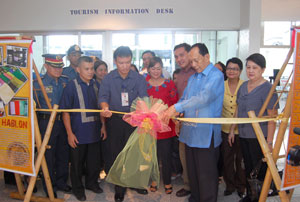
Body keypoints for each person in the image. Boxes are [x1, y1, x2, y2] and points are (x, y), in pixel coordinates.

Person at [164, 43, 224, 202]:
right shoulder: (193, 78)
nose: (194, 65)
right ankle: (196, 198)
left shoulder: (215, 76)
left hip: (205, 134)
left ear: (207, 57)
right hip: (190, 133)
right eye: (192, 61)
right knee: (193, 171)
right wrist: (174, 111)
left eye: (197, 61)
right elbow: (185, 99)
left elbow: (204, 98)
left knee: (207, 174)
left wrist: (177, 107)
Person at [99, 46, 148, 202]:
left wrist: (139, 109)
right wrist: (105, 108)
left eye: (127, 62)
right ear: (115, 62)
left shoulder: (138, 78)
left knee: (135, 153)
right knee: (117, 154)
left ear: (131, 60)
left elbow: (143, 98)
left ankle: (134, 182)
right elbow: (103, 97)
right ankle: (119, 187)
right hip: (115, 121)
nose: (125, 66)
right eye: (121, 63)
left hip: (134, 121)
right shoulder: (108, 78)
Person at [229, 53, 278, 202]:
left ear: (263, 69)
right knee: (248, 167)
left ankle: (260, 196)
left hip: (259, 137)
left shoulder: (268, 89)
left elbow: (273, 118)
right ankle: (251, 195)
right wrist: (232, 129)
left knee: (260, 169)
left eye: (254, 68)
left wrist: (269, 142)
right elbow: (238, 109)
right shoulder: (243, 86)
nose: (250, 71)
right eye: (248, 67)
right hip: (243, 134)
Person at [60, 56, 105, 201]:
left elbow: (101, 108)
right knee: (77, 164)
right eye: (86, 69)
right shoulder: (71, 86)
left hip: (95, 131)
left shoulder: (97, 85)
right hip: (78, 133)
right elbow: (65, 111)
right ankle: (78, 189)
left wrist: (103, 126)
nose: (90, 71)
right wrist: (69, 133)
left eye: (92, 68)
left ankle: (91, 183)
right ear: (78, 69)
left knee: (94, 162)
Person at [33, 54, 71, 197]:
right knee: (48, 155)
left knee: (63, 153)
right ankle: (50, 185)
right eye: (54, 67)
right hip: (46, 122)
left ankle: (61, 182)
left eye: (60, 66)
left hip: (64, 120)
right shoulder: (37, 83)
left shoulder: (66, 81)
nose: (58, 70)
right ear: (46, 66)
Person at [146, 56, 178, 194]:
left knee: (166, 155)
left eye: (159, 68)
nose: (156, 71)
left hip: (166, 124)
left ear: (162, 69)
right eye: (153, 68)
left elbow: (174, 102)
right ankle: (154, 179)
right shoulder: (143, 83)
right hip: (149, 125)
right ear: (148, 69)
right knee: (152, 156)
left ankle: (167, 181)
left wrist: (172, 118)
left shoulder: (169, 84)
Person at [173, 43, 196, 197]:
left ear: (190, 54)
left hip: (200, 123)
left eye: (182, 55)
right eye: (176, 56)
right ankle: (188, 185)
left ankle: (198, 186)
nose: (179, 59)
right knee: (184, 155)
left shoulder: (199, 73)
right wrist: (178, 120)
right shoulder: (179, 75)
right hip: (183, 121)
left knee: (198, 157)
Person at [221, 57, 246, 198]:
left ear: (240, 71)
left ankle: (241, 186)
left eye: (235, 69)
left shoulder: (245, 85)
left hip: (241, 130)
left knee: (240, 160)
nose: (232, 71)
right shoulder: (221, 84)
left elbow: (241, 107)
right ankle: (229, 185)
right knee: (227, 159)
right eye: (229, 68)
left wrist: (233, 129)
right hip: (224, 129)